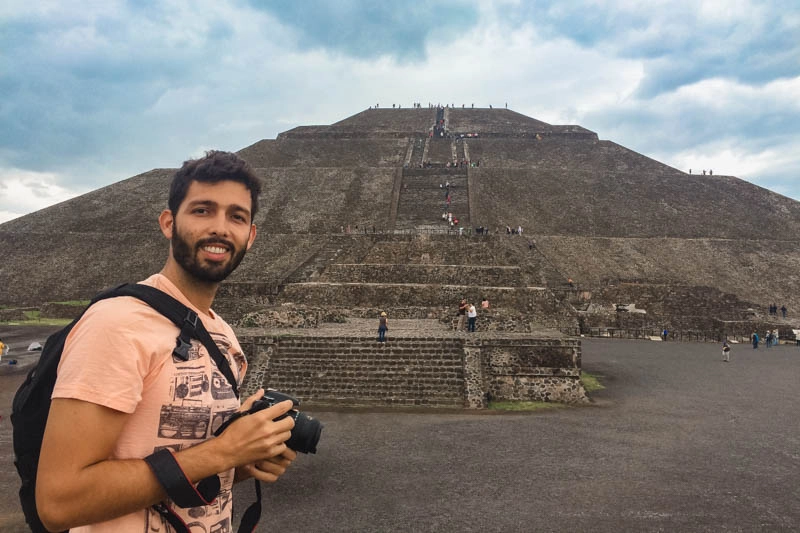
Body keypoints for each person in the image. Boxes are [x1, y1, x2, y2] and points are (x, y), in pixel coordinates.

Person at [36, 151, 298, 533]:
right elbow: (59, 501)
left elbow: (187, 466)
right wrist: (221, 452)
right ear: (168, 222)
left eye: (236, 216)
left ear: (251, 236)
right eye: (202, 210)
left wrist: (240, 462)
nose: (221, 228)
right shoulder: (117, 324)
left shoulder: (222, 334)